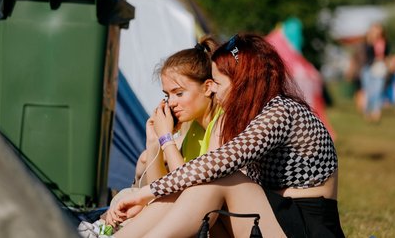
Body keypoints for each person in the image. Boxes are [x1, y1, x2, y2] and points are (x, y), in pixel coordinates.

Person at [108, 33, 343, 238]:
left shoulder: (281, 112)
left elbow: (217, 164)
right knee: (200, 185)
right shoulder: (250, 115)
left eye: (218, 83)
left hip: (306, 227)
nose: (213, 90)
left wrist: (144, 194)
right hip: (274, 217)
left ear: (242, 82)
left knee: (219, 179)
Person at [79, 38, 223, 237]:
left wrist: (166, 139)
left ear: (207, 87)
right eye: (167, 95)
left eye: (179, 93)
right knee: (129, 195)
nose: (171, 103)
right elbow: (161, 187)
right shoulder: (192, 127)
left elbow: (187, 192)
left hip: (210, 222)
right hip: (182, 214)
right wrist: (154, 143)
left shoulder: (220, 125)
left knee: (148, 199)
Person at [360, 23, 390, 122]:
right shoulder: (367, 42)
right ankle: (367, 111)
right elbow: (365, 56)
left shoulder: (384, 42)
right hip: (368, 68)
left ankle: (376, 111)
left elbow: (387, 55)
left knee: (378, 90)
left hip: (380, 68)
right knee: (369, 91)